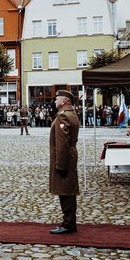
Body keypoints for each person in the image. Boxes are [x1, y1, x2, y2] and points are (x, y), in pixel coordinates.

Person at [48, 90, 80, 235]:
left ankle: (68, 223)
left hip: (64, 157)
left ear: (64, 101)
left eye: (57, 99)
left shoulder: (63, 116)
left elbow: (62, 144)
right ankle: (69, 221)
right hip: (70, 155)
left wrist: (60, 165)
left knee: (65, 191)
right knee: (68, 190)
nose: (55, 101)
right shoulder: (71, 113)